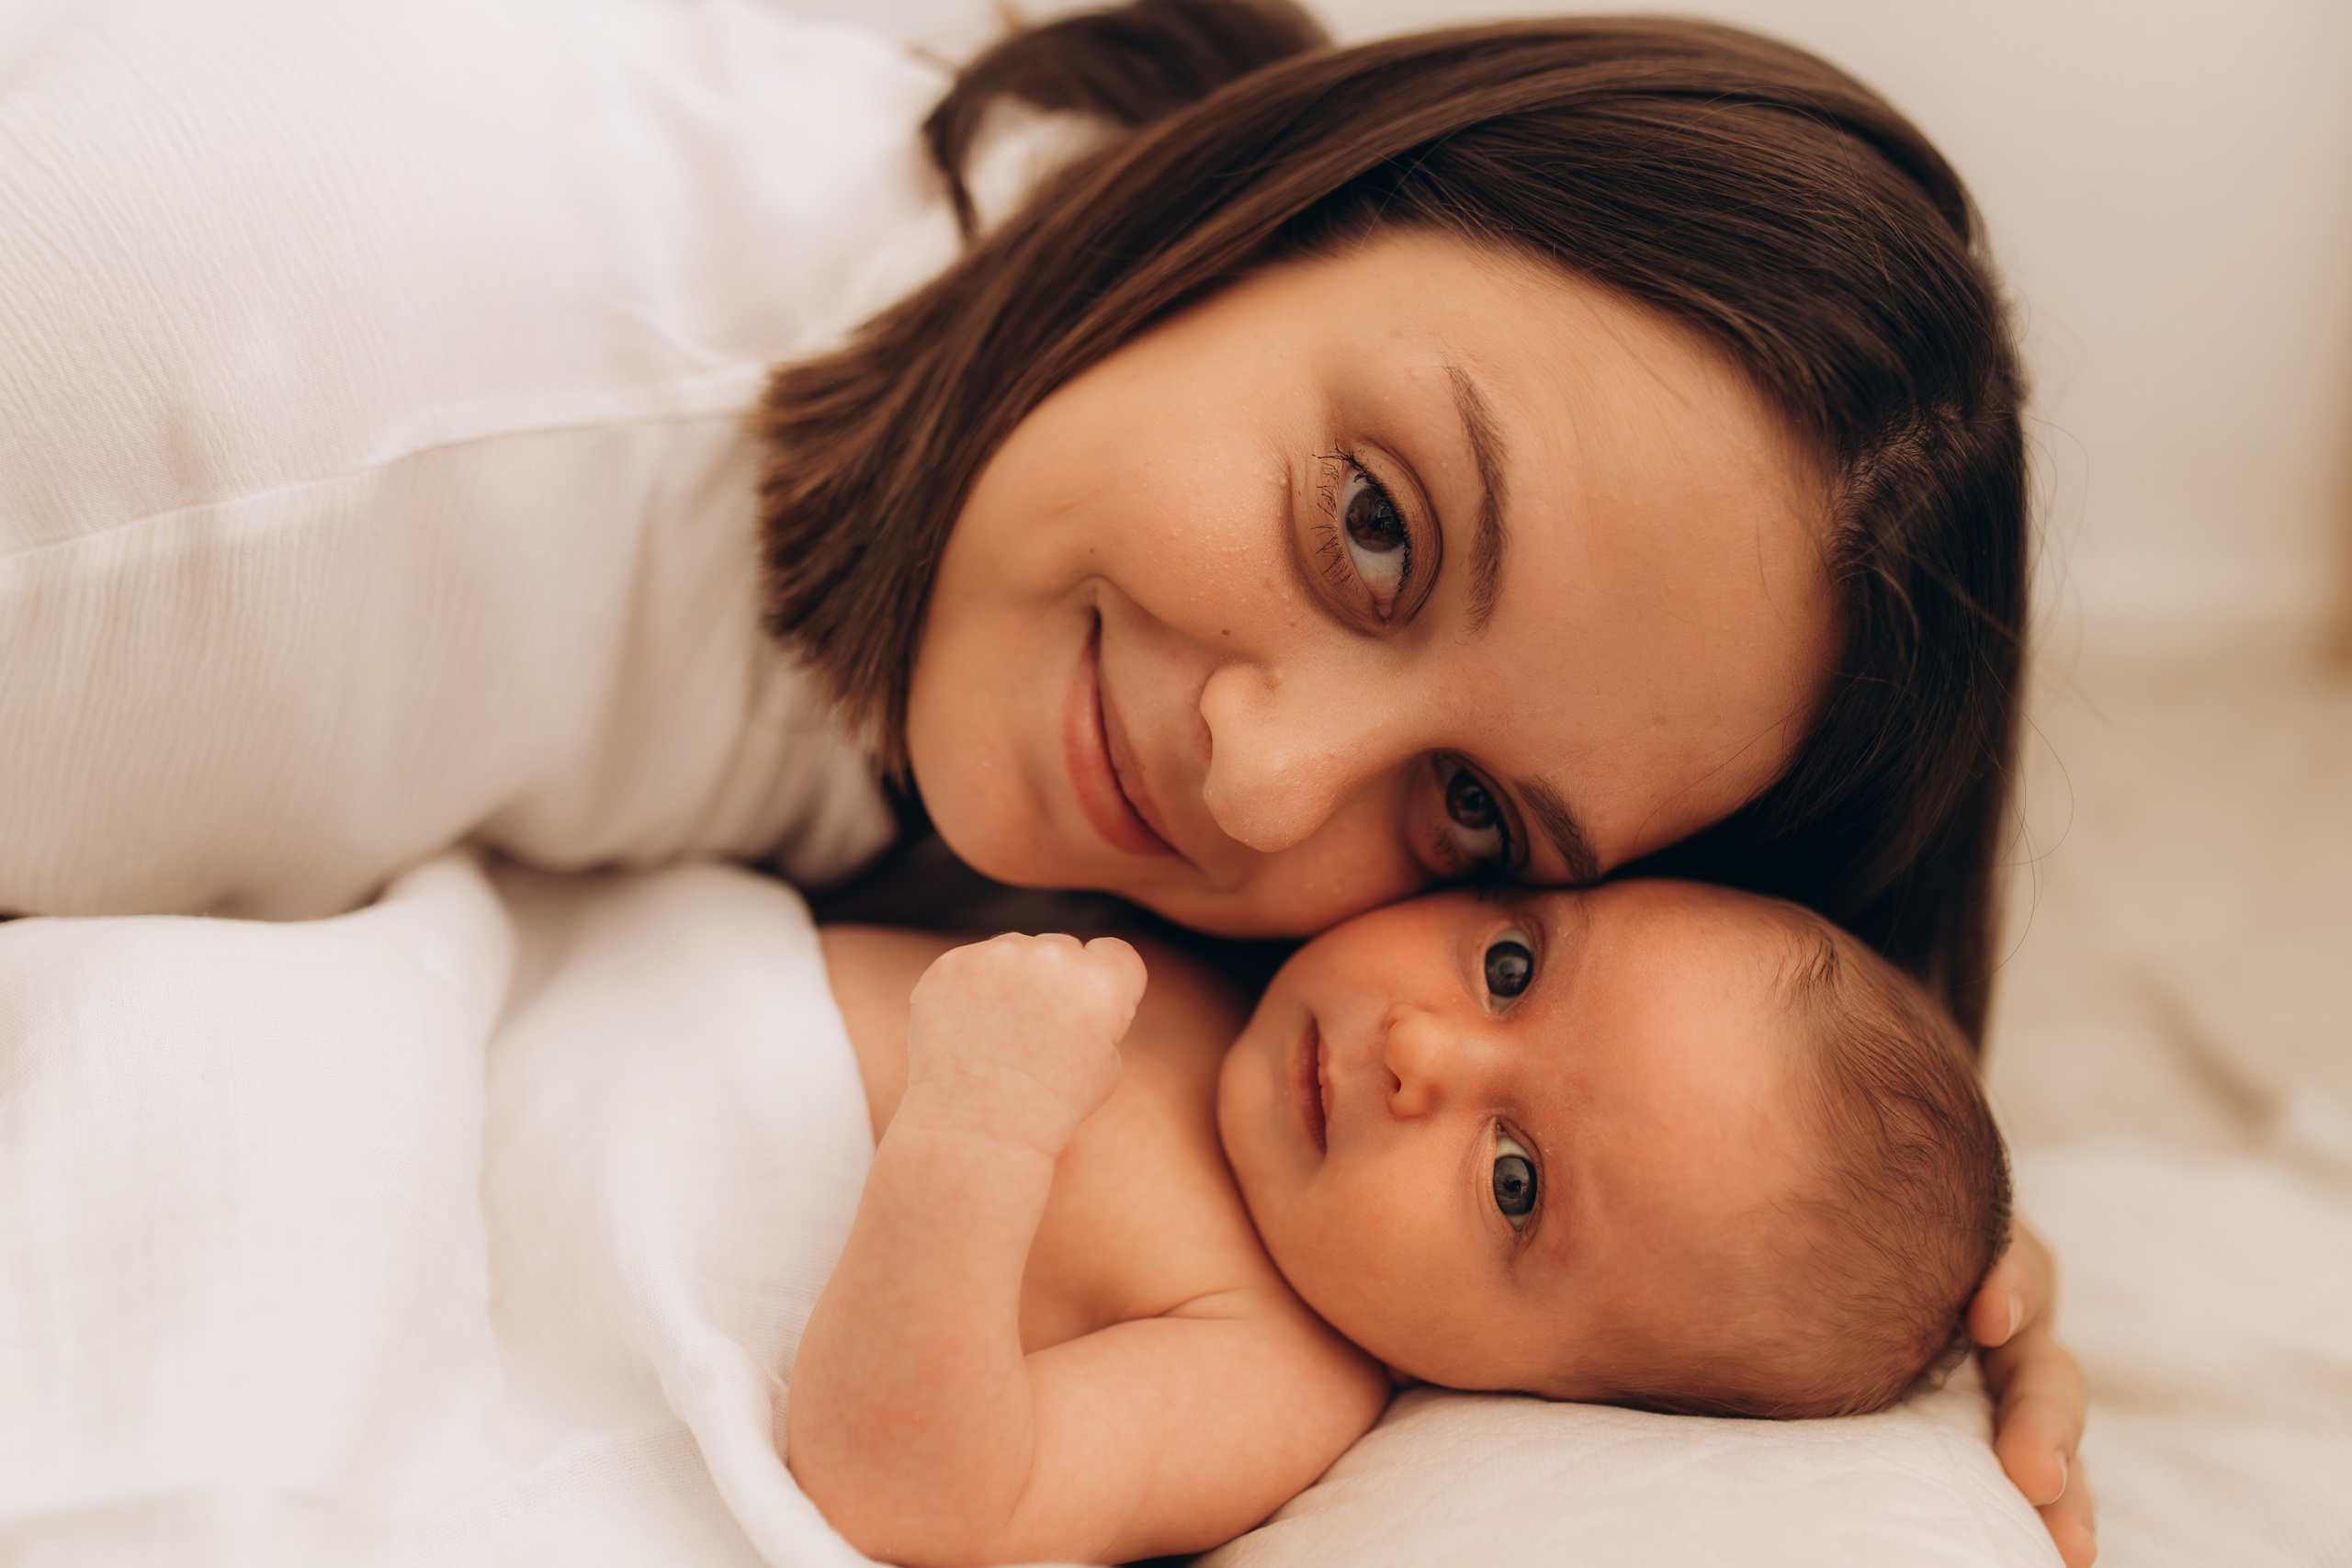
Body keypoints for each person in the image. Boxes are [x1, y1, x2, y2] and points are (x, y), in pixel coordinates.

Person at [0, 0, 2086, 1558]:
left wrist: (1883, 1304)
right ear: (1287, 204)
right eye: (1373, 524)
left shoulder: (1064, 341)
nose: (1262, 789)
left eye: (1475, 824)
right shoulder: (276, 474)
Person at [793, 879, 2010, 1565]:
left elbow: (920, 1497)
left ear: (1547, 1391)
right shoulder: (1234, 938)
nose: (1420, 1047)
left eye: (1514, 1183)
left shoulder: (1270, 1365)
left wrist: (979, 1126)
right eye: (1511, 970)